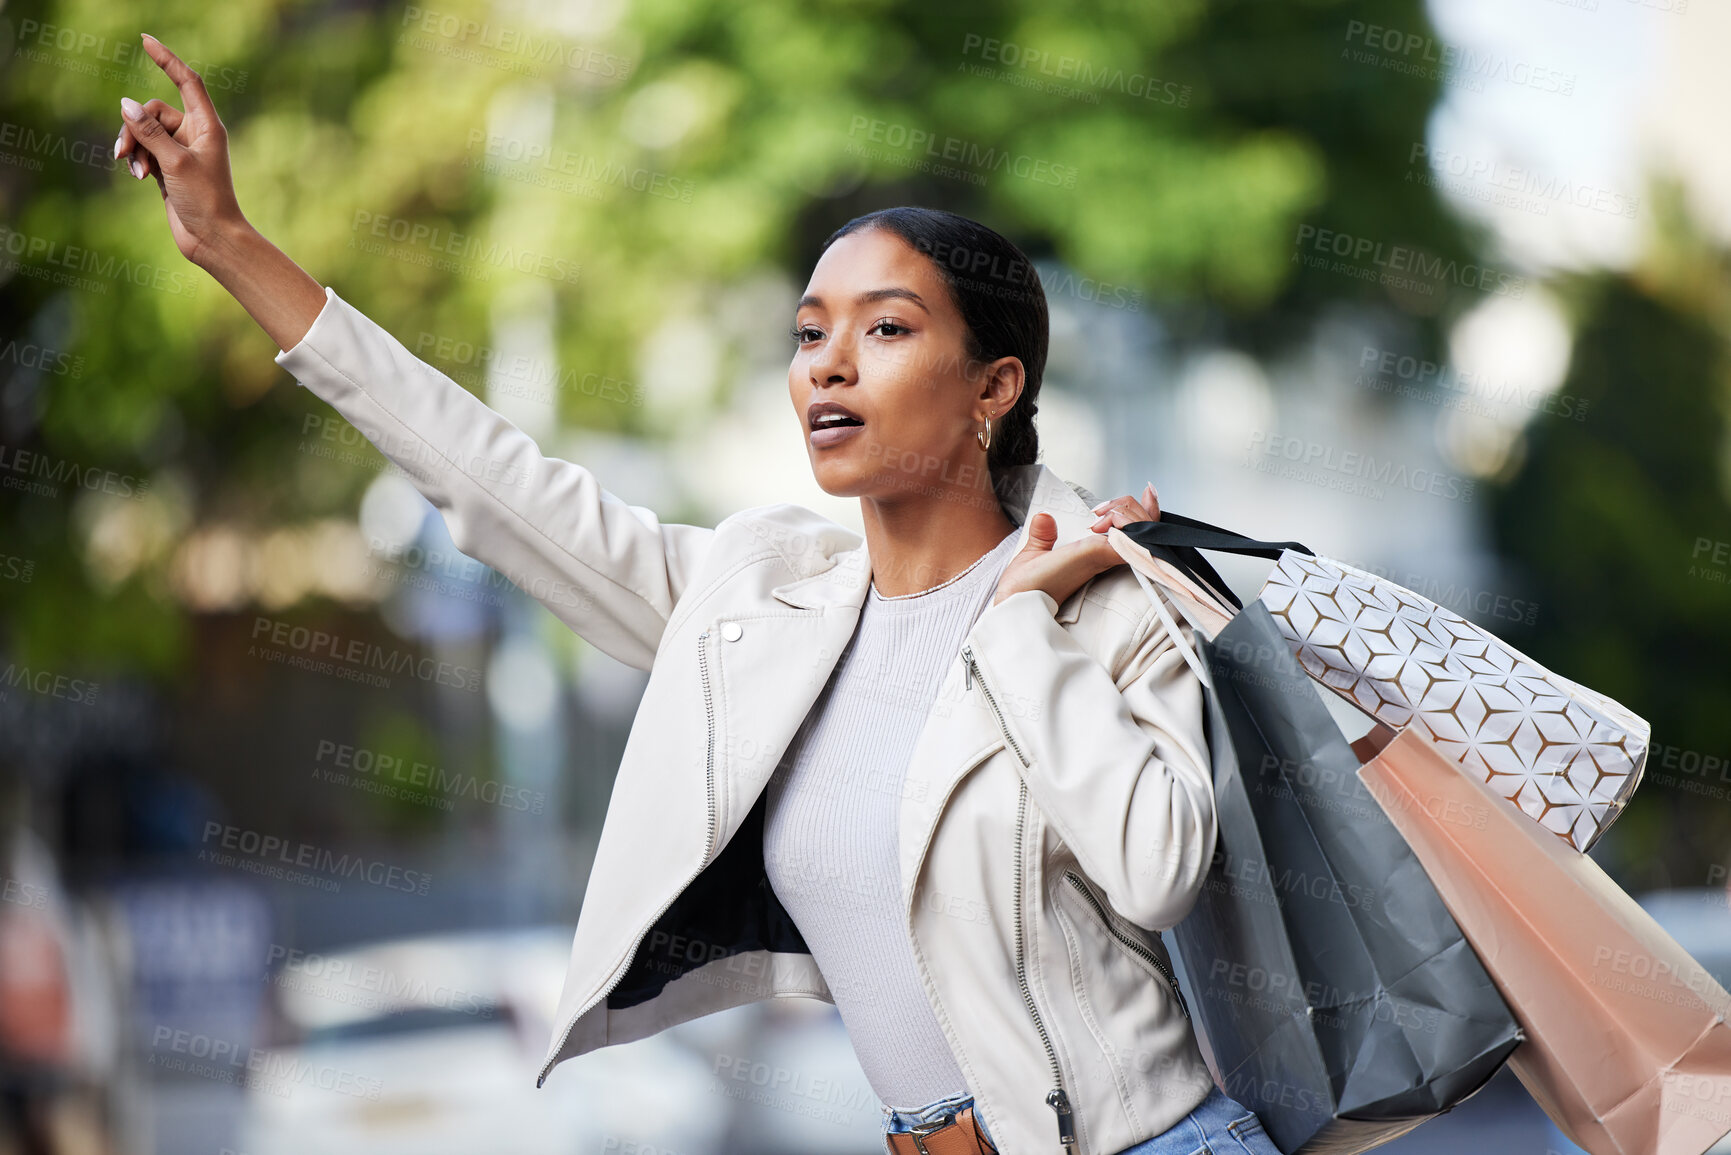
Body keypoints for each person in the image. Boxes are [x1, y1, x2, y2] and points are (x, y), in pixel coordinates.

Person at [112, 33, 1282, 1155]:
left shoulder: (1104, 600)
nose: (828, 362)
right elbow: (493, 483)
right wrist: (226, 240)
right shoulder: (765, 608)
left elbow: (1159, 867)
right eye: (810, 331)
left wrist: (1022, 617)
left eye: (886, 328)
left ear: (994, 384)